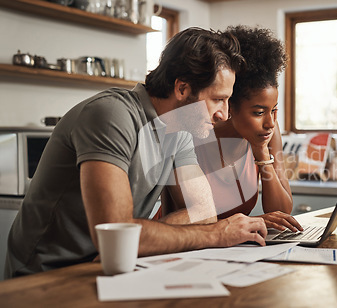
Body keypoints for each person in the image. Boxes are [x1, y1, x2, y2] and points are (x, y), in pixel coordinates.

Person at [4, 27, 268, 279]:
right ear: (182, 89)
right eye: (217, 99)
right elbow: (117, 235)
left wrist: (136, 238)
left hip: (111, 266)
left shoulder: (179, 131)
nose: (223, 114)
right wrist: (215, 235)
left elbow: (204, 212)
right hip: (48, 275)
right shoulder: (111, 116)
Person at [162, 25, 303, 233]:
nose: (270, 123)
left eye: (274, 110)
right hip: (181, 245)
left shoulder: (268, 134)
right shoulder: (193, 135)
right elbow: (191, 219)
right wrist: (253, 222)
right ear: (230, 106)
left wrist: (262, 153)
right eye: (258, 112)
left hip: (231, 247)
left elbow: (282, 212)